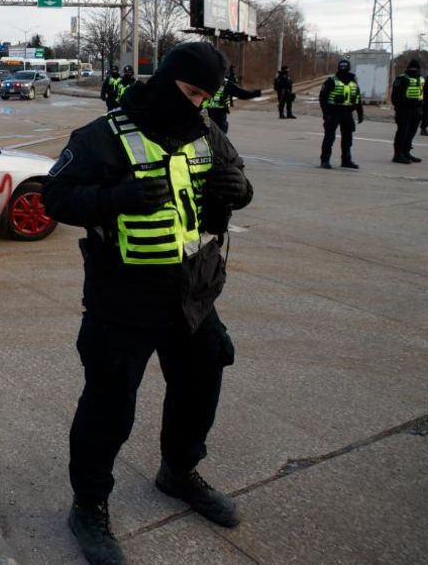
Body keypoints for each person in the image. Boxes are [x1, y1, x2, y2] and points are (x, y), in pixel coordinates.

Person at [42, 41, 253, 565]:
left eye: (206, 95)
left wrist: (240, 188)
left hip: (195, 296)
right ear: (164, 81)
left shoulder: (207, 130)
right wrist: (113, 200)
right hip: (124, 302)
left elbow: (239, 178)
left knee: (200, 387)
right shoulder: (102, 136)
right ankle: (88, 505)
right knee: (108, 407)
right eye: (190, 91)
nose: (198, 104)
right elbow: (55, 196)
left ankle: (178, 471)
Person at [317, 59, 364, 169]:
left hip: (347, 112)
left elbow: (357, 98)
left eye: (344, 67)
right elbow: (322, 98)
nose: (343, 70)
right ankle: (325, 160)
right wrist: (326, 113)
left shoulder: (353, 81)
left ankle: (346, 160)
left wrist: (360, 113)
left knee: (348, 138)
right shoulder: (331, 81)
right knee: (329, 137)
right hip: (333, 113)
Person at [391, 59, 425, 163]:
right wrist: (400, 108)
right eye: (412, 68)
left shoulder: (421, 79)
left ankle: (406, 152)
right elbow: (395, 97)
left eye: (416, 68)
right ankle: (398, 155)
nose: (414, 70)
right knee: (402, 132)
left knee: (411, 133)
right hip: (404, 110)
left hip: (417, 110)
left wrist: (422, 107)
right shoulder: (402, 79)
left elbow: (423, 94)